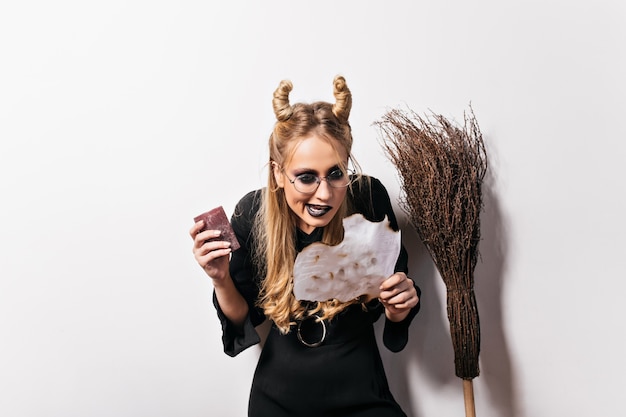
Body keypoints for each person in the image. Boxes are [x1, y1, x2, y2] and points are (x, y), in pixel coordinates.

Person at [190, 75, 421, 417]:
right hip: (279, 399)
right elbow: (244, 320)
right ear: (278, 173)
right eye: (307, 176)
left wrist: (399, 305)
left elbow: (391, 303)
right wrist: (220, 278)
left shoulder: (368, 199)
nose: (324, 194)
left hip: (361, 393)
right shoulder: (252, 214)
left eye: (336, 173)